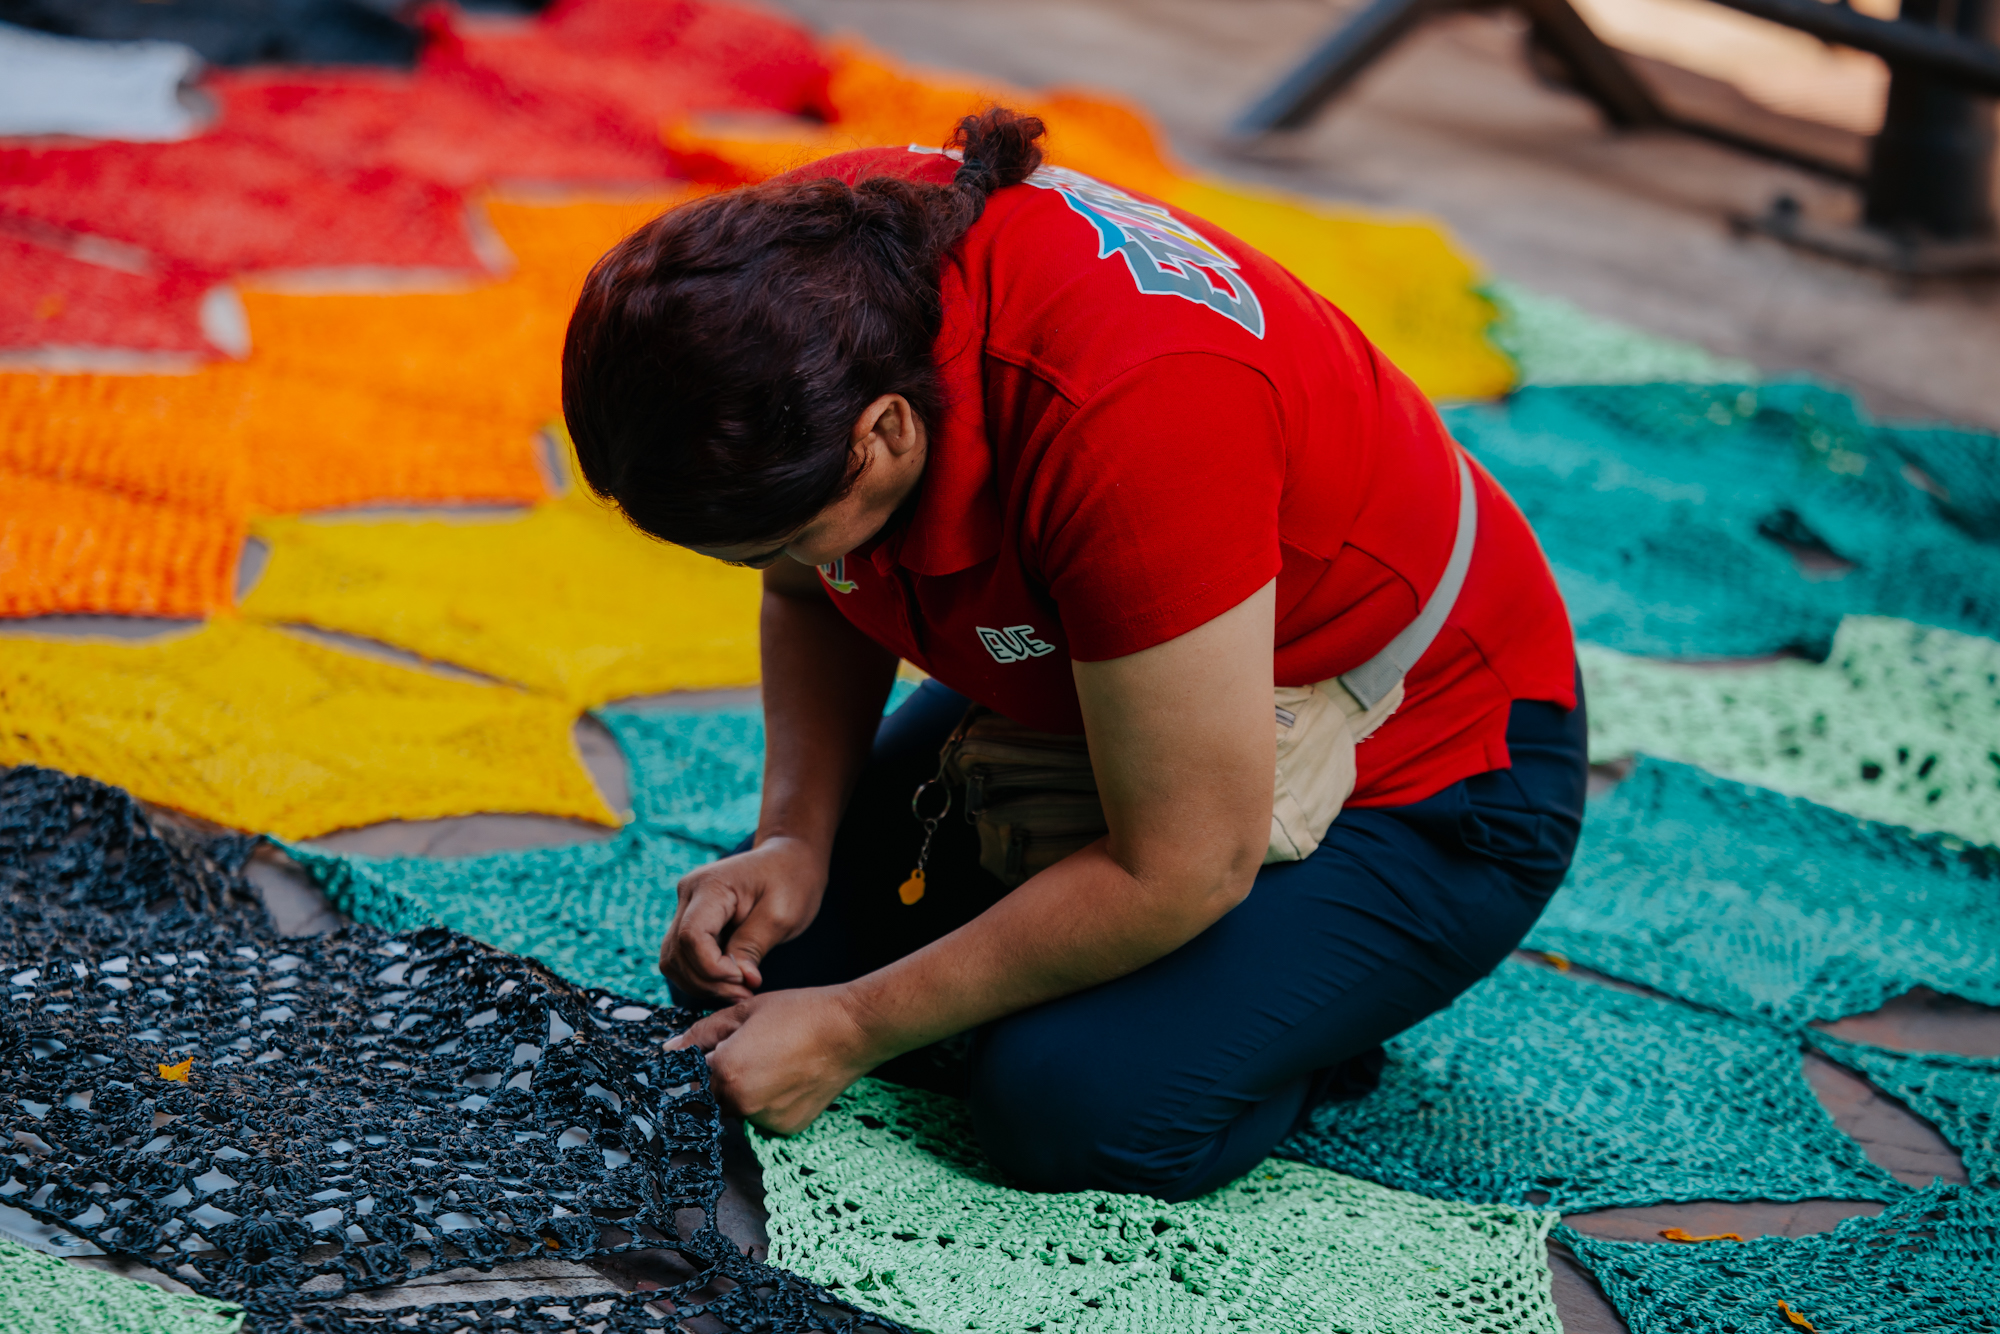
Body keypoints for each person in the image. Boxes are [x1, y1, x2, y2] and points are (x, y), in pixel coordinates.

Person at [560, 108, 1584, 1203]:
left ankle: (1308, 1020)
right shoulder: (815, 278)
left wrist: (857, 1026)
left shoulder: (1134, 421)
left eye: (783, 537)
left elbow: (1180, 861)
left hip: (1437, 756)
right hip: (1099, 669)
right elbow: (815, 586)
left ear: (888, 432)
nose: (791, 565)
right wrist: (792, 835)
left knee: (1072, 1108)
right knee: (776, 969)